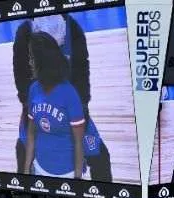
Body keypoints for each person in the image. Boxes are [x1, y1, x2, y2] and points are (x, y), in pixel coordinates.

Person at [13, 15, 112, 181]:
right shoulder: (24, 32)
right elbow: (20, 72)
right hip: (38, 110)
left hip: (70, 108)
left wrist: (82, 107)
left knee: (100, 157)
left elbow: (82, 69)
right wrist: (27, 104)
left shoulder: (72, 27)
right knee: (23, 151)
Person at [21, 31, 87, 179]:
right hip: (39, 169)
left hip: (67, 174)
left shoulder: (69, 93)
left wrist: (77, 180)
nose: (30, 63)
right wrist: (26, 170)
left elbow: (79, 143)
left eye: (32, 58)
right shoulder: (33, 89)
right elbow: (31, 133)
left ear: (44, 61)